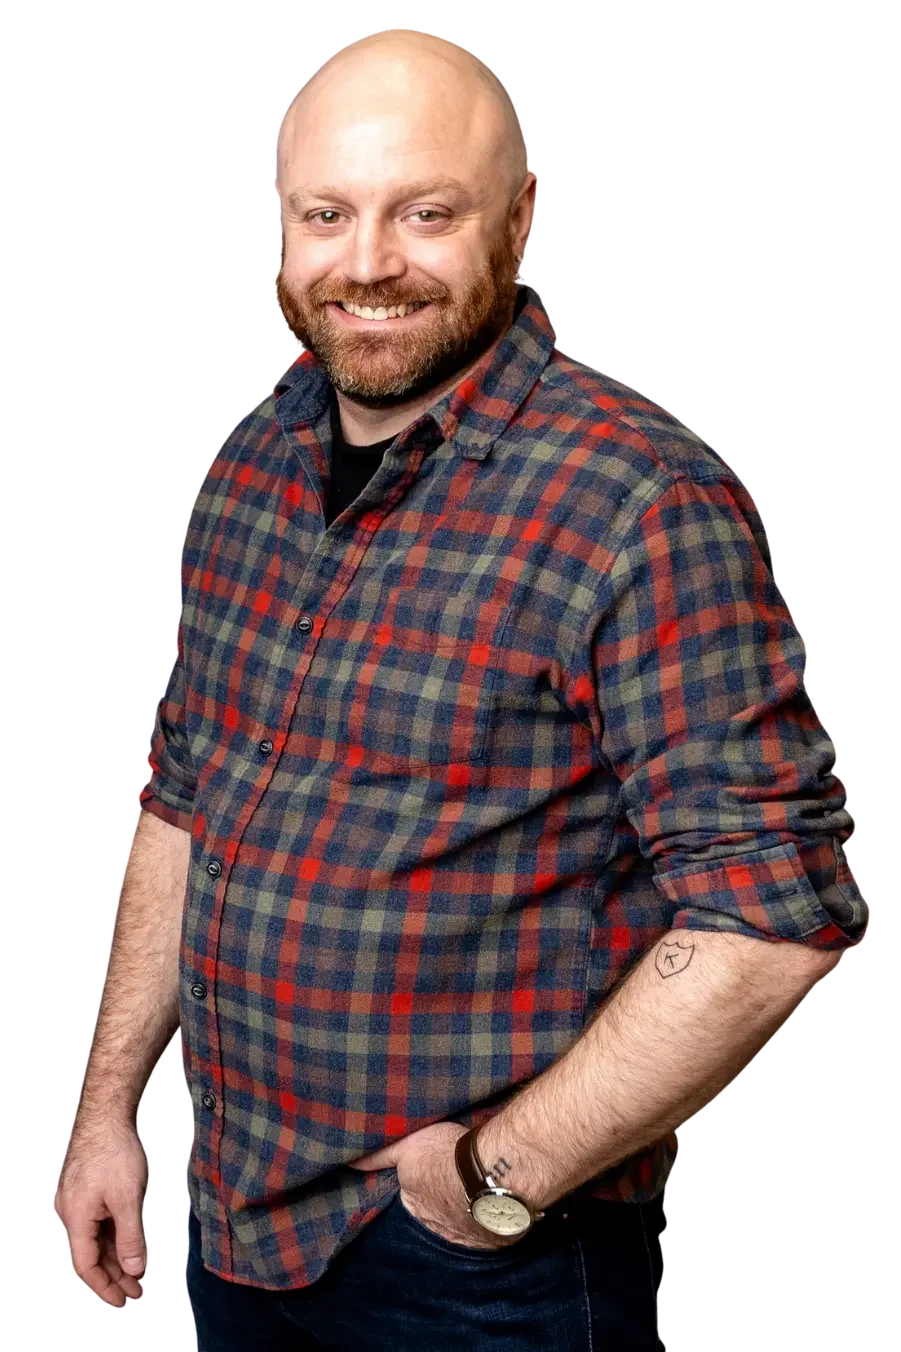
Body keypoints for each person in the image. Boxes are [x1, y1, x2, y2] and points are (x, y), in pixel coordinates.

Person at [54, 27, 869, 1352]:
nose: (368, 261)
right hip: (235, 1221)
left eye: (424, 212)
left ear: (520, 220)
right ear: (285, 230)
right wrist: (105, 1118)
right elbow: (184, 800)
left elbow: (773, 917)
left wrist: (502, 1176)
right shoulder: (252, 459)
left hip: (471, 1271)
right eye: (328, 214)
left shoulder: (638, 503)